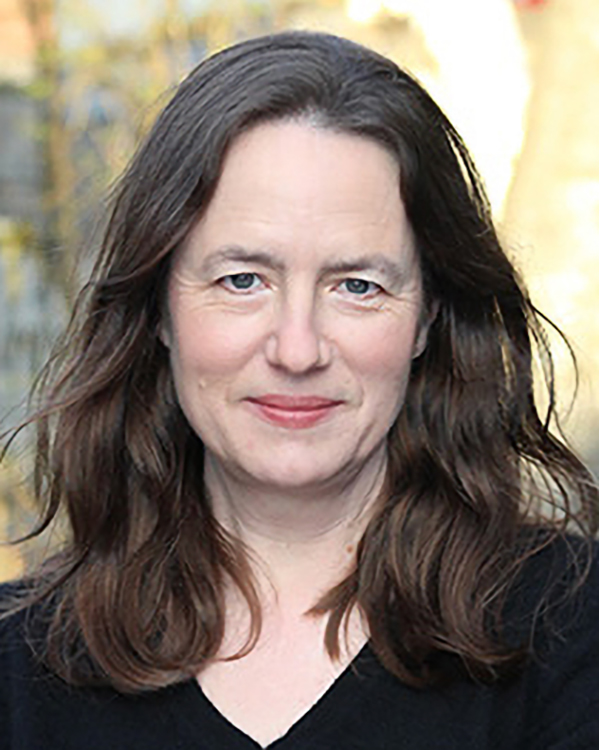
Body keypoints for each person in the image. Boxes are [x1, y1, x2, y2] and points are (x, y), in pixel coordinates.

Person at [0, 30, 597, 750]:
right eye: (242, 280)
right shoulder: (19, 674)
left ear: (427, 318)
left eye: (357, 285)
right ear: (159, 308)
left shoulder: (572, 634)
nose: (297, 348)